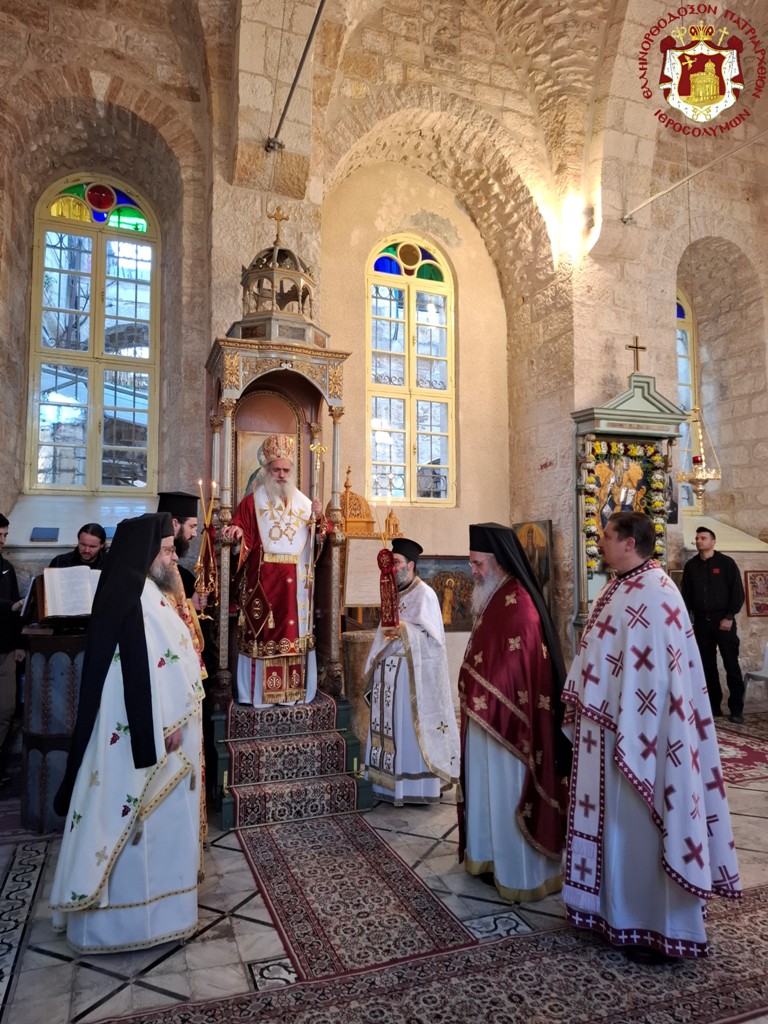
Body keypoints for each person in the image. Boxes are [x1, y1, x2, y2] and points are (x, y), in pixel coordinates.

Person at [562, 512, 741, 962]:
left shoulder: (657, 594)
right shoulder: (619, 586)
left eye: (606, 536)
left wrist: (635, 729)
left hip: (650, 742)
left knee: (645, 830)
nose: (600, 542)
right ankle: (617, 915)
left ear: (629, 543)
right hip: (614, 732)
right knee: (621, 834)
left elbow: (660, 681)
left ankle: (658, 928)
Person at [50, 513, 205, 953]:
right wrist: (162, 726)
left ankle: (162, 914)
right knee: (133, 825)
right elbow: (134, 673)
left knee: (159, 830)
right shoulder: (132, 594)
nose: (173, 559)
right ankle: (126, 923)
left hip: (157, 729)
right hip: (143, 734)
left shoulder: (149, 591)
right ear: (147, 552)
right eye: (168, 551)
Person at [458, 522, 571, 903]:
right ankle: (487, 858)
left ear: (498, 561)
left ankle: (517, 872)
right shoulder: (494, 596)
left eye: (477, 564)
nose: (472, 571)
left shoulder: (518, 602)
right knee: (486, 792)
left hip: (509, 726)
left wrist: (479, 692)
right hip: (486, 721)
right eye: (471, 563)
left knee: (505, 792)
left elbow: (514, 666)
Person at [221, 434, 329, 706]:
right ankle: (258, 694)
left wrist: (319, 521)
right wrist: (237, 534)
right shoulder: (251, 502)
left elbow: (319, 542)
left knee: (295, 635)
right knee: (262, 634)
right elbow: (241, 532)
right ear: (267, 470)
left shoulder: (306, 504)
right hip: (263, 584)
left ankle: (295, 692)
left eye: (286, 470)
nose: (281, 475)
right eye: (276, 470)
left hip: (296, 589)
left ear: (292, 472)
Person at [364, 538, 460, 805]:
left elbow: (434, 640)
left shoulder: (425, 594)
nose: (392, 567)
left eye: (396, 562)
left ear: (411, 565)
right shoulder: (393, 594)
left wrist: (403, 629)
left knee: (408, 729)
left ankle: (415, 787)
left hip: (411, 679)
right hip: (388, 677)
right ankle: (387, 786)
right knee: (391, 728)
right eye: (391, 562)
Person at [681, 525, 746, 724]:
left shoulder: (726, 563)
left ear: (713, 542)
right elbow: (686, 595)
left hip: (723, 621)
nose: (699, 541)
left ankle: (736, 709)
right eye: (697, 538)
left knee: (731, 664)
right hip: (702, 622)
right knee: (706, 666)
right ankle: (713, 706)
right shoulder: (691, 566)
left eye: (703, 538)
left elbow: (738, 593)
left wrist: (729, 617)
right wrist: (688, 620)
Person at [0, 514, 24, 766]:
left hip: (5, 649)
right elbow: (13, 605)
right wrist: (10, 606)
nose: (2, 540)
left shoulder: (7, 567)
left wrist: (19, 644)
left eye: (5, 535)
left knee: (6, 710)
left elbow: (18, 606)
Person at [157, 491, 200, 602]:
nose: (195, 534)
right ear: (174, 524)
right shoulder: (156, 567)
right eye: (192, 526)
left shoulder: (186, 577)